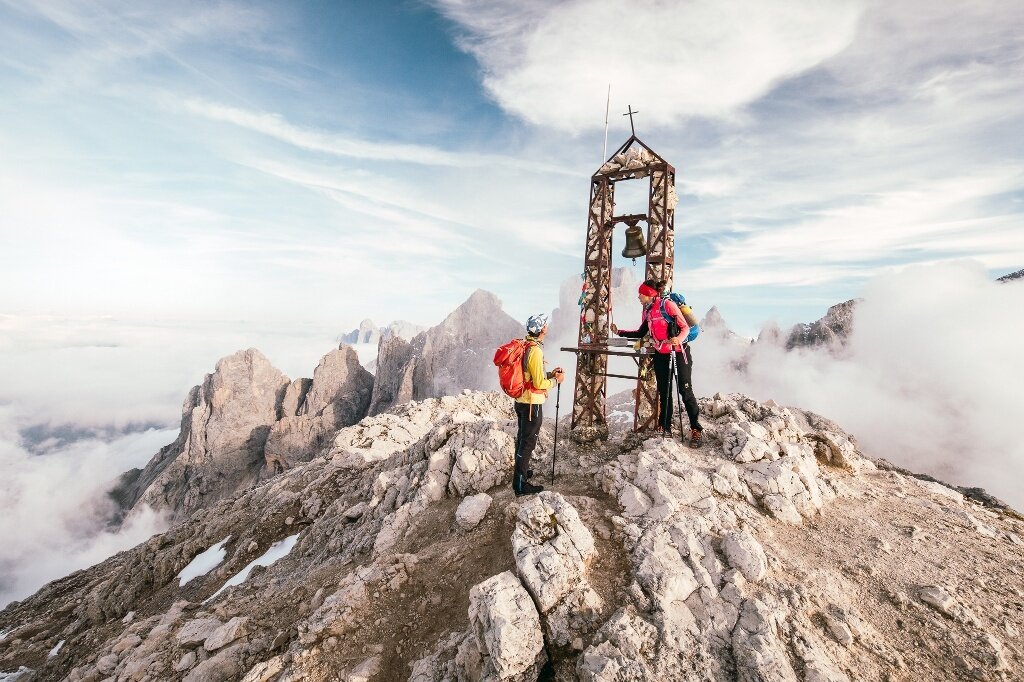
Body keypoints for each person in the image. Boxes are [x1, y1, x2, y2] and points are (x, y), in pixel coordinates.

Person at [611, 280, 704, 447]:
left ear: (649, 294)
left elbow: (685, 328)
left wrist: (678, 339)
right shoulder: (648, 311)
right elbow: (640, 332)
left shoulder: (667, 305)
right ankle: (665, 426)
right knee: (664, 392)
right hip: (661, 355)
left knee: (685, 391)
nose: (638, 297)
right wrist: (619, 332)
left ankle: (696, 429)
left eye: (641, 294)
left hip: (679, 353)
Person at [513, 313, 565, 496]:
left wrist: (550, 374)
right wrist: (556, 381)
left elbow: (531, 376)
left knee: (522, 440)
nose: (547, 326)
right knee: (527, 444)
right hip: (531, 404)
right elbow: (538, 383)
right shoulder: (535, 351)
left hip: (522, 401)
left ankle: (522, 473)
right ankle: (520, 485)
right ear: (542, 329)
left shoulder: (526, 345)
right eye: (545, 324)